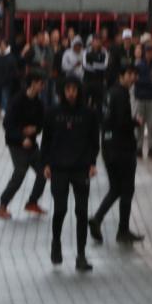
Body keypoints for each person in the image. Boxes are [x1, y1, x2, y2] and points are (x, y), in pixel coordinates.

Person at [41, 76, 99, 271]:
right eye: (67, 89)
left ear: (79, 91)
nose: (71, 93)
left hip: (81, 168)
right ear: (62, 91)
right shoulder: (52, 113)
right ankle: (56, 242)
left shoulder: (89, 113)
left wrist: (92, 163)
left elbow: (94, 140)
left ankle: (81, 255)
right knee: (60, 210)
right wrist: (45, 164)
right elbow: (46, 140)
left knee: (82, 212)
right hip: (58, 168)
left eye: (74, 89)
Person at [89, 64, 143, 244]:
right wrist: (135, 122)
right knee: (127, 189)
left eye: (135, 74)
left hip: (108, 146)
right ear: (121, 75)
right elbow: (122, 122)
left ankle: (97, 218)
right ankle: (123, 230)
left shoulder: (110, 92)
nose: (133, 77)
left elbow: (106, 118)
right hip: (122, 148)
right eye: (130, 74)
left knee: (116, 188)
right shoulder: (121, 94)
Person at [0, 71, 48, 219]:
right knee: (20, 173)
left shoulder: (38, 103)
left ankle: (32, 202)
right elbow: (7, 124)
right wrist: (21, 137)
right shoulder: (17, 100)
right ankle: (2, 206)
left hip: (31, 143)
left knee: (43, 171)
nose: (43, 86)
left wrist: (35, 129)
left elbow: (41, 124)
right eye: (41, 83)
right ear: (33, 83)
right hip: (16, 144)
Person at [134, 44, 152, 158]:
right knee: (139, 125)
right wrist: (149, 81)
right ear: (144, 53)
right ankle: (138, 148)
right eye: (147, 52)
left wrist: (144, 81)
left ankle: (151, 149)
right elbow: (136, 81)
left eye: (151, 52)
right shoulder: (138, 66)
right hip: (140, 99)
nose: (149, 54)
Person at [82, 36, 108, 115]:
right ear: (92, 42)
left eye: (98, 41)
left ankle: (99, 119)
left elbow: (105, 66)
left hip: (99, 81)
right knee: (85, 101)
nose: (96, 43)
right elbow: (85, 65)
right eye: (95, 41)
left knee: (99, 103)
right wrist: (97, 67)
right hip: (87, 80)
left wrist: (93, 65)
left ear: (101, 42)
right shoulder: (86, 51)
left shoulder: (104, 52)